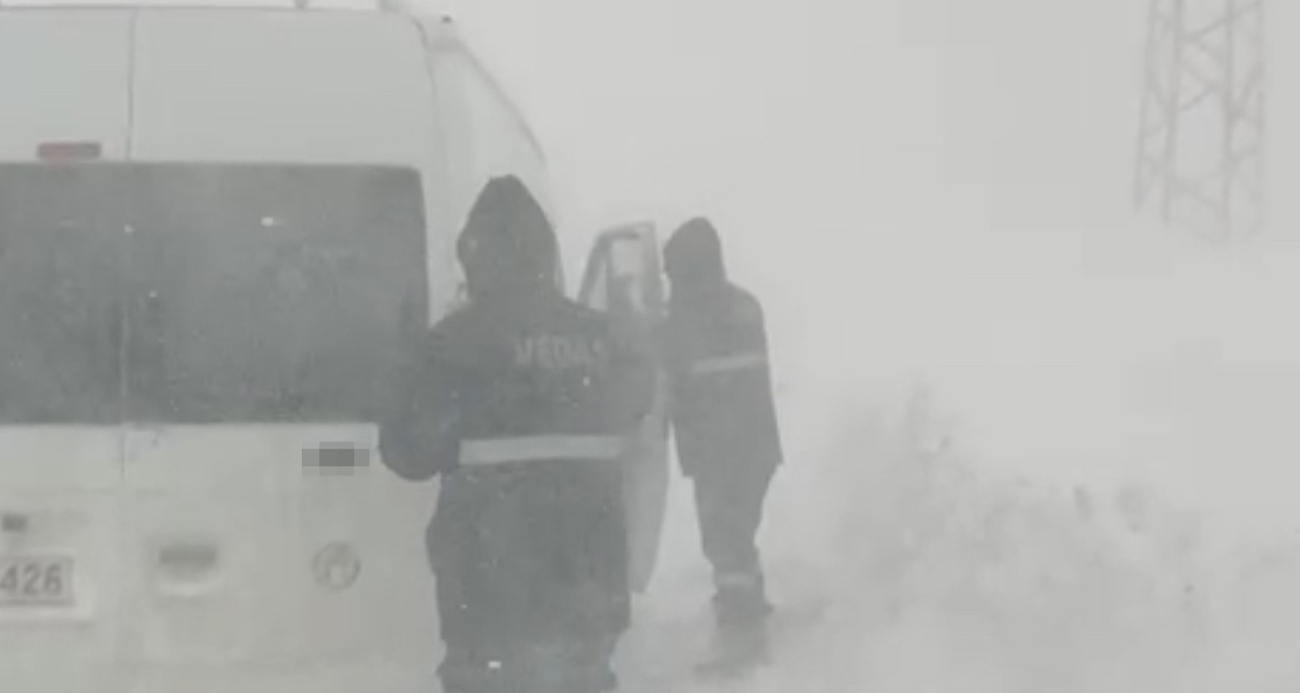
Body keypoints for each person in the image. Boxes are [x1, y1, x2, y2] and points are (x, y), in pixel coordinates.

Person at [379, 175, 656, 693]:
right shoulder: (601, 337)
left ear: (475, 255)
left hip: (489, 597)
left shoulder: (454, 344)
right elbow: (638, 412)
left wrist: (399, 367)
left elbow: (407, 454)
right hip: (588, 592)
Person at [659, 216, 784, 675]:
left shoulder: (689, 321)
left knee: (727, 546)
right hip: (755, 450)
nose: (670, 286)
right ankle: (749, 621)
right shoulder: (743, 306)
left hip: (722, 454)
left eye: (672, 274)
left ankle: (742, 648)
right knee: (737, 543)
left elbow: (671, 364)